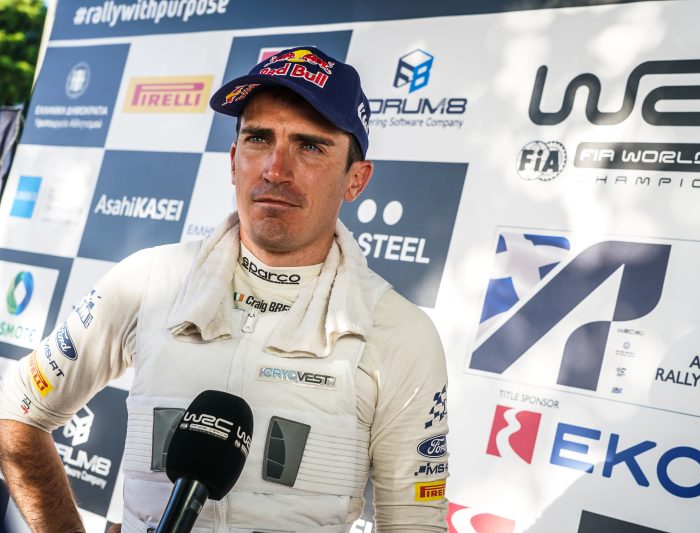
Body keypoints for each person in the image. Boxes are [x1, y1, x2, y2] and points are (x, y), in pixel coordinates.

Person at [0, 46, 449, 532]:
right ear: (234, 160)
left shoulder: (400, 333)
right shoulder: (148, 281)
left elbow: (415, 524)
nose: (275, 169)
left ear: (355, 180)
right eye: (258, 138)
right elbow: (15, 410)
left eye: (310, 146)